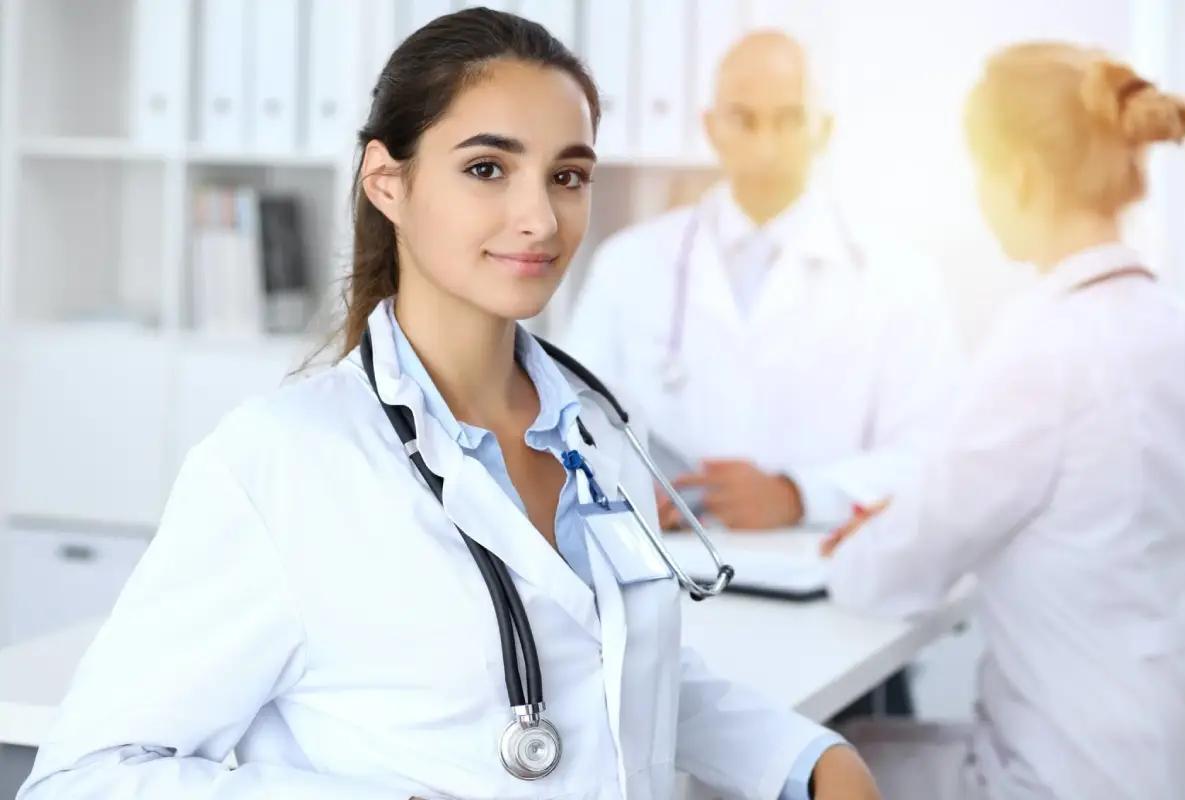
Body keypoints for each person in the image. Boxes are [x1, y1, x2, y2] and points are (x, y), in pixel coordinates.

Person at [17, 10, 879, 800]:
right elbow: (86, 777)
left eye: (567, 176)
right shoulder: (280, 463)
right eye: (486, 169)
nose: (539, 216)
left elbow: (608, 670)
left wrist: (804, 759)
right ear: (388, 183)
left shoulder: (599, 430)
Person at [822, 41, 1185, 800]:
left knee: (811, 765)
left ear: (1018, 175)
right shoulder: (1177, 326)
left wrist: (859, 545)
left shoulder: (1043, 342)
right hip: (1167, 763)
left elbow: (895, 572)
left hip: (1065, 779)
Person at [563, 31, 960, 535]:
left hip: (820, 575)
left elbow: (932, 455)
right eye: (744, 119)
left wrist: (798, 494)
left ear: (825, 129)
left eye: (790, 119)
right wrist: (626, 486)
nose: (766, 145)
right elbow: (573, 420)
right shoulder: (628, 262)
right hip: (668, 562)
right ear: (710, 127)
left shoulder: (901, 275)